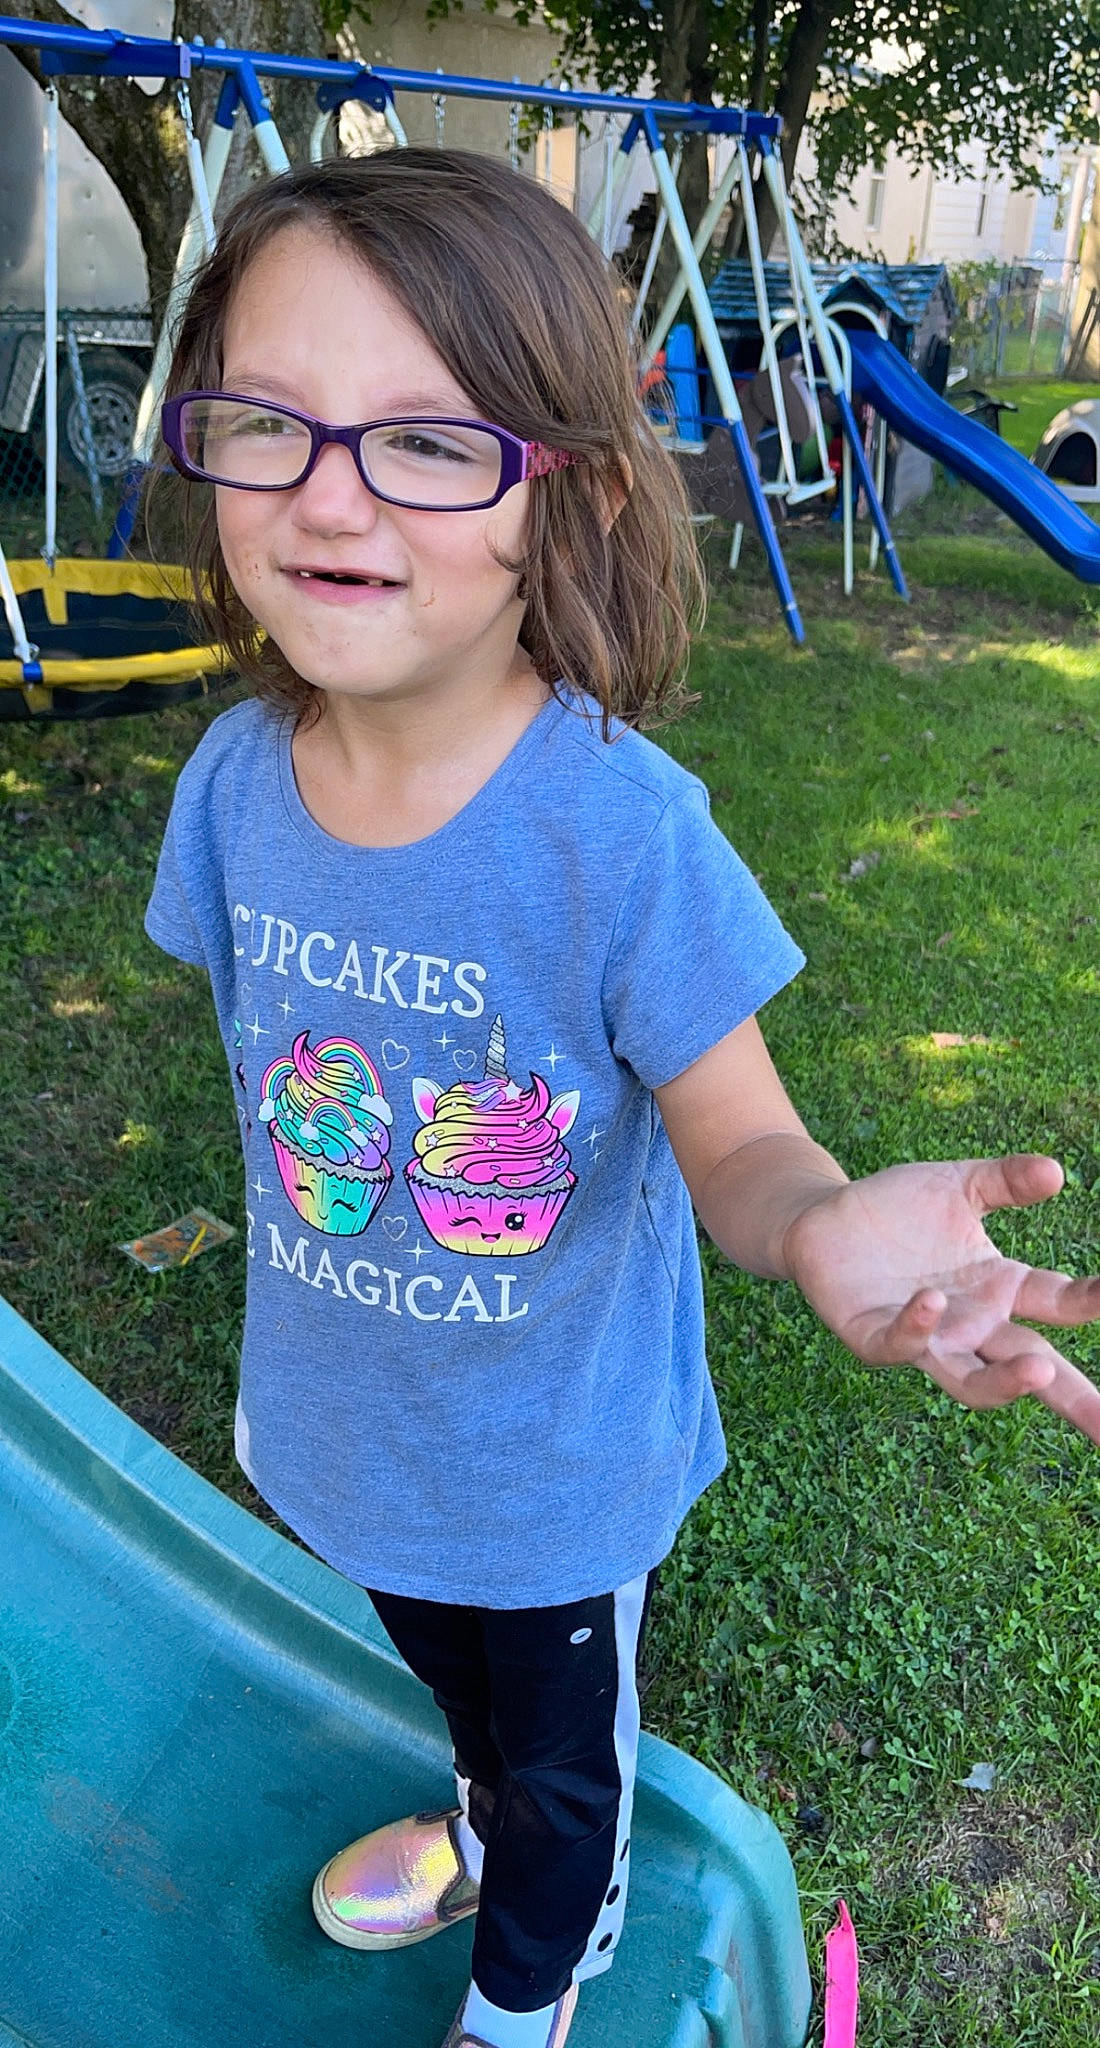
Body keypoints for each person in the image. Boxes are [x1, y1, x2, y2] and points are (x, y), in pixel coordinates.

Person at [145, 150, 1100, 2048]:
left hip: (552, 1473)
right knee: (452, 1686)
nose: (330, 493)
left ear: (562, 491)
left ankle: (531, 1985)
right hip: (346, 1429)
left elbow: (742, 1143)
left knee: (568, 1761)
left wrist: (815, 1221)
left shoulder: (620, 832)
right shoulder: (232, 790)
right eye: (271, 421)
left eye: (429, 441)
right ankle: (481, 1819)